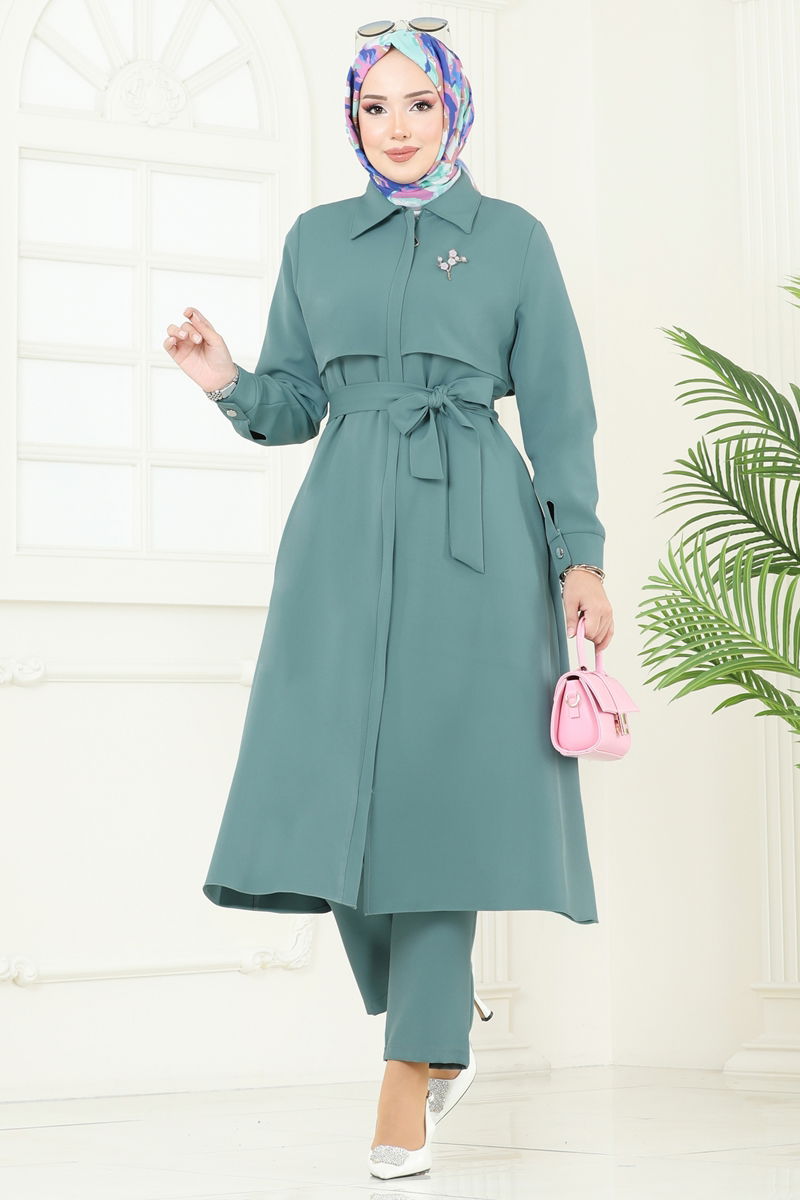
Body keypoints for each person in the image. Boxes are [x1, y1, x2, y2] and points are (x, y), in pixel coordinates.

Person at [163, 20, 614, 1183]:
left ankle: (409, 1067)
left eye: (420, 104)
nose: (398, 126)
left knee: (439, 801)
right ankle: (439, 1019)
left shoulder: (511, 239)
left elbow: (558, 407)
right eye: (376, 107)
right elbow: (292, 403)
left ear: (452, 108)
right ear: (353, 118)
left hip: (477, 540)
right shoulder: (316, 239)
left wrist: (579, 556)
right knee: (330, 786)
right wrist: (225, 381)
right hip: (339, 537)